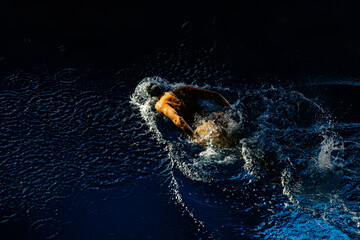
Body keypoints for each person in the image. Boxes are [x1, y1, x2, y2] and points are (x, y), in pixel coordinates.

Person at [147, 83, 236, 148]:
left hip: (205, 127)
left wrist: (195, 138)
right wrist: (231, 108)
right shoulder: (183, 89)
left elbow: (178, 120)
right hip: (217, 116)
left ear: (152, 96)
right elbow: (215, 95)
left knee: (233, 151)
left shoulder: (160, 104)